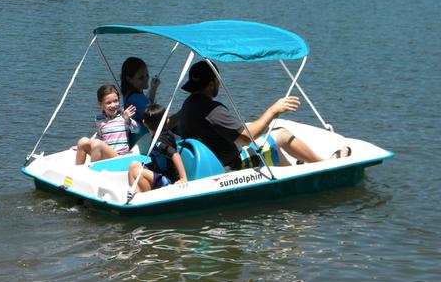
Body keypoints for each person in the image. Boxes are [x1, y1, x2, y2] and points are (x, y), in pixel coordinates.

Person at [179, 61, 351, 171]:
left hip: (209, 161)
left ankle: (293, 173)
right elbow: (246, 139)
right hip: (231, 165)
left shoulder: (188, 104)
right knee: (281, 134)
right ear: (211, 85)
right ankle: (324, 165)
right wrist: (273, 110)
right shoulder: (213, 109)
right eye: (218, 82)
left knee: (270, 144)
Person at [128, 104, 187, 193]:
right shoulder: (162, 134)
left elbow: (175, 154)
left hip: (168, 178)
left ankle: (144, 195)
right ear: (167, 121)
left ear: (144, 122)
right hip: (158, 171)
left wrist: (183, 178)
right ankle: (135, 193)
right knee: (133, 165)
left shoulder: (159, 142)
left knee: (137, 171)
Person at [74, 84, 139, 165]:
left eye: (116, 101)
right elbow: (99, 135)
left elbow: (136, 130)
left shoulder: (123, 116)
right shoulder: (99, 119)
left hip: (119, 157)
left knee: (97, 144)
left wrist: (127, 119)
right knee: (83, 141)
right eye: (108, 102)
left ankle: (93, 171)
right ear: (100, 104)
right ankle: (78, 170)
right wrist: (81, 146)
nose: (113, 105)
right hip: (106, 155)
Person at [120, 57, 161, 144]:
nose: (146, 79)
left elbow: (148, 105)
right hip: (144, 141)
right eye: (141, 78)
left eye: (147, 75)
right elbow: (161, 124)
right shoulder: (137, 99)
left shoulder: (128, 95)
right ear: (129, 79)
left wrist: (153, 88)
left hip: (136, 139)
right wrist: (181, 113)